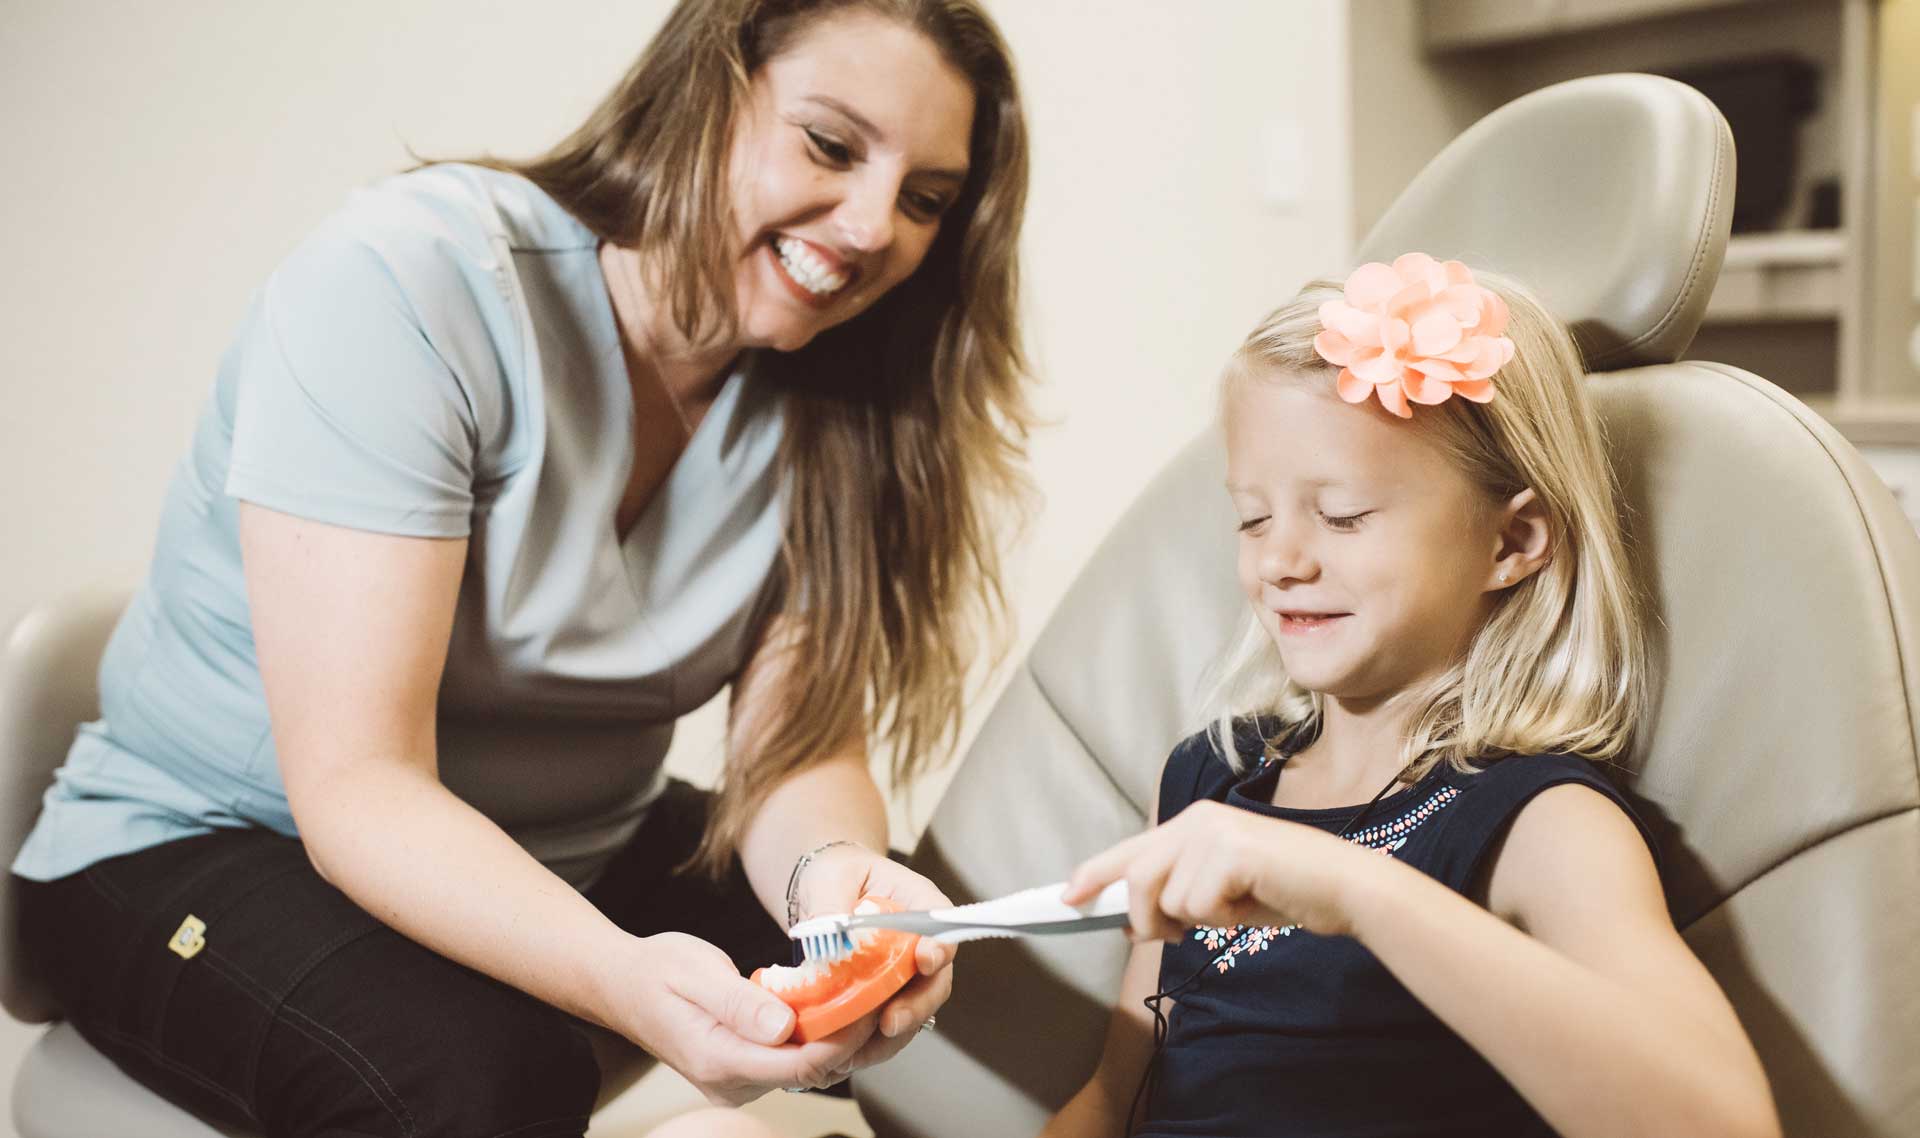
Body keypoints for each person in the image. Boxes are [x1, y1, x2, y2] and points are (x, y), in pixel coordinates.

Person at [10, 1, 1033, 1134]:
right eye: (831, 146)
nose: (869, 224)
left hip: (562, 841)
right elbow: (359, 790)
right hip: (215, 845)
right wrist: (619, 976)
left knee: (926, 965)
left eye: (925, 199)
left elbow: (799, 748)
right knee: (488, 1076)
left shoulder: (837, 398)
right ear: (704, 93)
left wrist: (834, 881)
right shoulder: (413, 283)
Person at [1040, 255, 1783, 1138]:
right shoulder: (1211, 781)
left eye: (1344, 515)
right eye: (1252, 516)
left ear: (1512, 541)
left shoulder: (1541, 825)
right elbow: (1115, 1094)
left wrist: (1360, 894)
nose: (1281, 561)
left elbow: (1725, 1124)